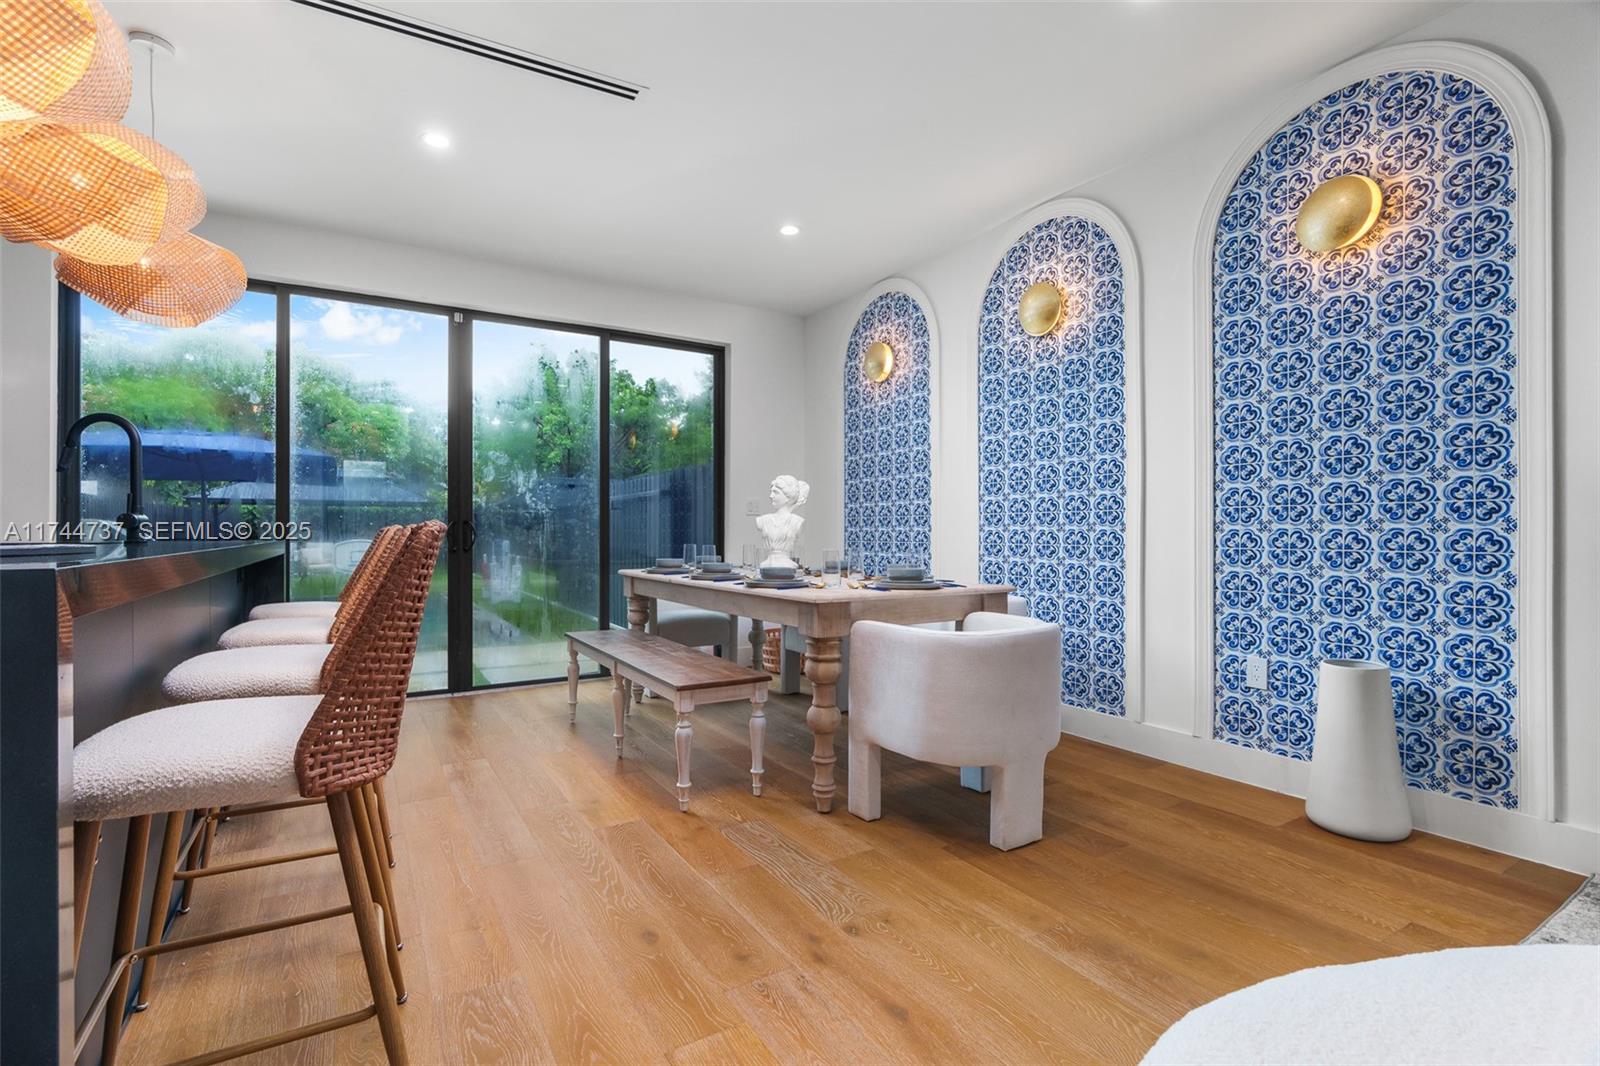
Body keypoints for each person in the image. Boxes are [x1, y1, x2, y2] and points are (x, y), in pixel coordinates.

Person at [756, 474, 808, 568]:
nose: (771, 496)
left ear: (788, 496)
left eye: (775, 492)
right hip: (767, 564)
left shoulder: (796, 522)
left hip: (787, 565)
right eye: (771, 492)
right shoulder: (763, 520)